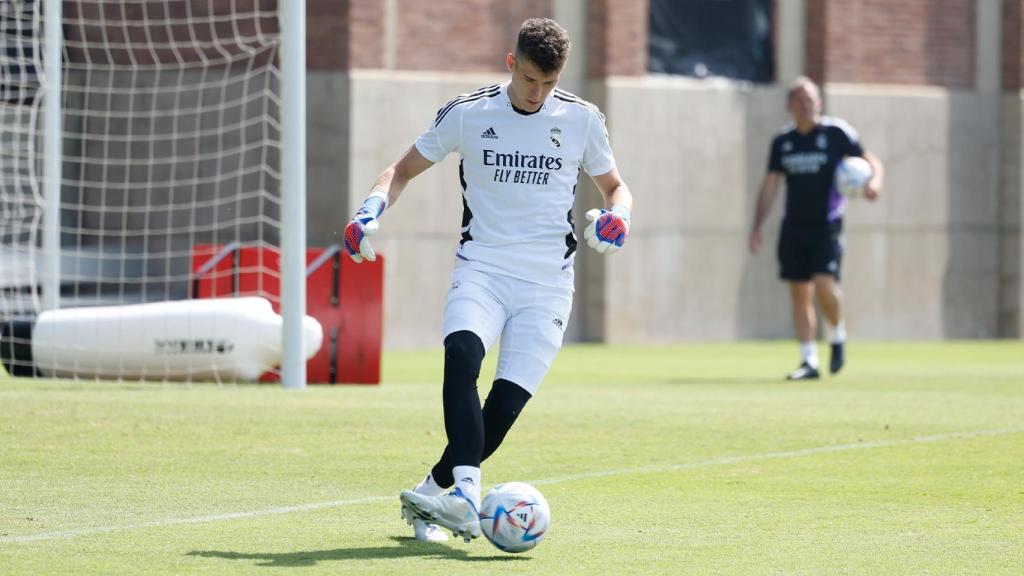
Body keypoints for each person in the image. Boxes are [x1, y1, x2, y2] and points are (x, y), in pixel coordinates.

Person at [342, 18, 633, 542]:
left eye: (547, 83)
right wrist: (367, 211)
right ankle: (467, 496)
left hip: (548, 282)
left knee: (500, 410)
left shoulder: (582, 119)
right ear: (509, 63)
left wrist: (620, 219)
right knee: (462, 356)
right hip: (483, 269)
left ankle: (431, 495)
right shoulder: (469, 113)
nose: (536, 93)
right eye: (527, 79)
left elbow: (615, 187)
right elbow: (400, 170)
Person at [748, 76, 884, 381]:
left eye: (811, 99)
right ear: (789, 105)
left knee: (824, 284)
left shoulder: (836, 133)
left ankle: (837, 335)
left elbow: (872, 160)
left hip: (827, 225)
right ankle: (808, 361)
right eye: (799, 100)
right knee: (799, 293)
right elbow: (770, 185)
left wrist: (873, 183)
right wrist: (757, 226)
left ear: (819, 103)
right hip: (793, 226)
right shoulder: (783, 142)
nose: (806, 105)